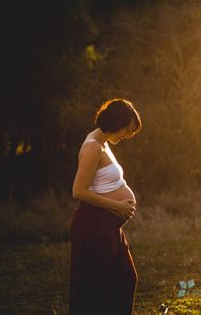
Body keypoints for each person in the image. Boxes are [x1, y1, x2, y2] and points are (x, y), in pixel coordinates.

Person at [69, 98, 142, 314]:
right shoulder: (92, 147)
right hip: (94, 225)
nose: (127, 136)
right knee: (100, 291)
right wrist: (117, 207)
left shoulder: (103, 143)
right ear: (116, 122)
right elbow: (78, 191)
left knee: (126, 280)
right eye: (127, 130)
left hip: (109, 226)